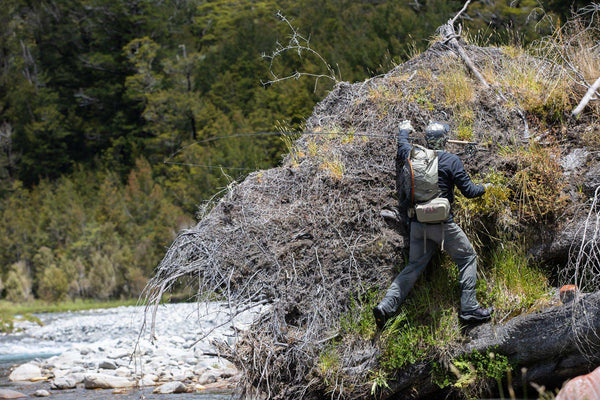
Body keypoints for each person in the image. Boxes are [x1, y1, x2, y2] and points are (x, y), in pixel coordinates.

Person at [373, 120, 493, 330]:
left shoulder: (413, 155)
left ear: (427, 141)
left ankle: (386, 306)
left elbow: (402, 145)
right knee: (467, 257)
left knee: (413, 267)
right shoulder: (452, 160)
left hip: (418, 225)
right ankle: (469, 309)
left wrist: (404, 130)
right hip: (444, 226)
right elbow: (470, 192)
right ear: (445, 140)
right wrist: (487, 187)